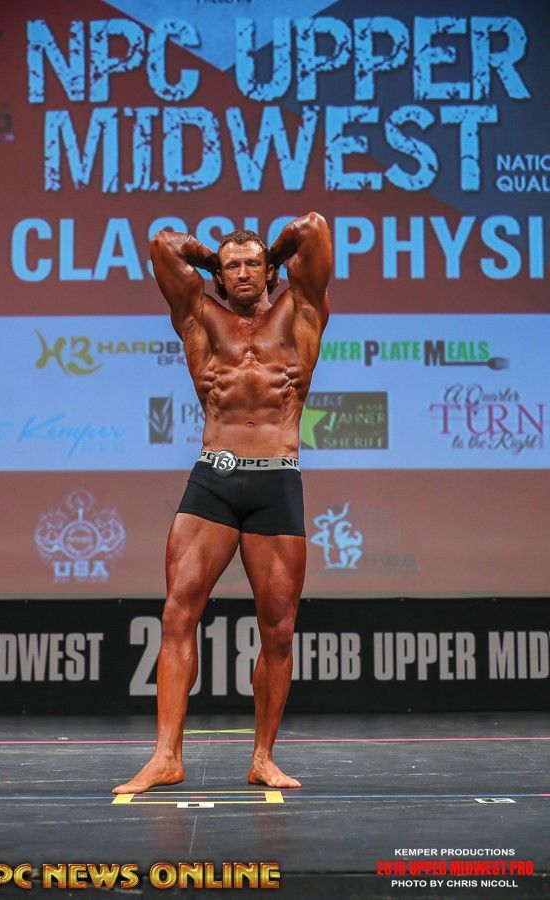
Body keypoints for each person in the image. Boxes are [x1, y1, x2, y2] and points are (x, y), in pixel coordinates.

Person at [113, 212, 332, 793]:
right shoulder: (200, 316)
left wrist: (272, 255)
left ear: (269, 270)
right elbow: (162, 242)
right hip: (215, 476)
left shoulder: (301, 311)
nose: (241, 273)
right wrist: (213, 261)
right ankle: (166, 756)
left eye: (251, 264)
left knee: (278, 628)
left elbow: (313, 228)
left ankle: (263, 757)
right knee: (177, 612)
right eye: (232, 266)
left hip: (275, 480)